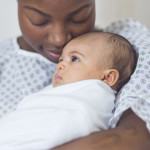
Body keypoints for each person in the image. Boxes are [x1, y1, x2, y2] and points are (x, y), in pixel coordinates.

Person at [0, 0, 149, 149]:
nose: (59, 40)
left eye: (79, 17)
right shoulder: (4, 61)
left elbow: (134, 136)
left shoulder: (126, 44)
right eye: (38, 20)